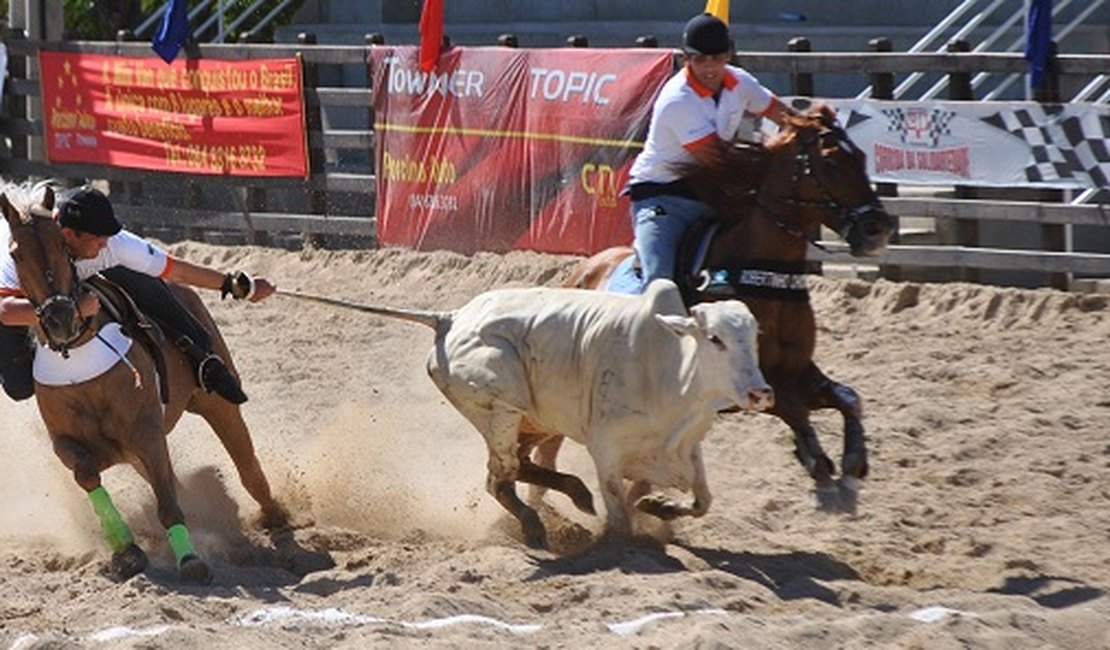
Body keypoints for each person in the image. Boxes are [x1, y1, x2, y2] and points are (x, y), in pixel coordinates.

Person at [0, 186, 274, 404]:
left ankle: (204, 360)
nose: (106, 244)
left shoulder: (114, 244)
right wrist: (76, 310)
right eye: (98, 239)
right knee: (20, 387)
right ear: (70, 235)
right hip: (21, 298)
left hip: (71, 286)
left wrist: (235, 286)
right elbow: (5, 311)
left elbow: (177, 270)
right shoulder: (23, 251)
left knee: (144, 282)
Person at [626, 12, 797, 287]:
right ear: (686, 59)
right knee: (660, 281)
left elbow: (785, 116)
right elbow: (717, 160)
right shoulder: (677, 100)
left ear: (728, 55)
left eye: (716, 58)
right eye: (700, 59)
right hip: (661, 196)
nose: (709, 67)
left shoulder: (740, 82)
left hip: (711, 192)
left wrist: (811, 130)